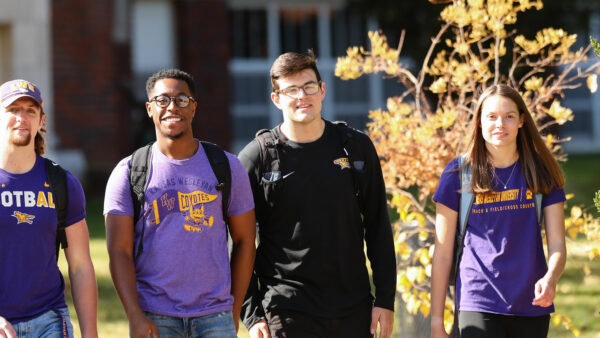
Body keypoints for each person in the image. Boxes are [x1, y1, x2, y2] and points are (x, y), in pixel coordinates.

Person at [238, 52, 397, 338]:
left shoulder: (355, 148)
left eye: (309, 86)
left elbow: (377, 226)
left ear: (322, 90)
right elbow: (238, 241)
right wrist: (252, 315)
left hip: (353, 309)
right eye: (291, 90)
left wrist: (385, 299)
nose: (302, 96)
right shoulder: (257, 158)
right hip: (285, 311)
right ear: (276, 99)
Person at [104, 68, 256, 338]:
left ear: (194, 108)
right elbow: (119, 251)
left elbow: (245, 240)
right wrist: (135, 316)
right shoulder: (129, 171)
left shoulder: (227, 166)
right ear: (149, 109)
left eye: (181, 99)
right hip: (154, 316)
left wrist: (232, 311)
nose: (172, 107)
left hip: (215, 315)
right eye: (162, 100)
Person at [430, 84, 567, 338]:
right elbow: (442, 253)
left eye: (509, 116)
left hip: (532, 304)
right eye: (491, 117)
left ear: (522, 121)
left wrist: (551, 278)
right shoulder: (458, 174)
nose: (500, 124)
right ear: (479, 122)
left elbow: (558, 244)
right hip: (477, 299)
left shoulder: (541, 171)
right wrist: (437, 322)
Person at [0, 79, 98, 338]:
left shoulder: (62, 183)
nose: (22, 117)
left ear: (42, 120)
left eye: (30, 111)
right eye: (13, 110)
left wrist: (90, 332)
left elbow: (80, 265)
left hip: (49, 322)